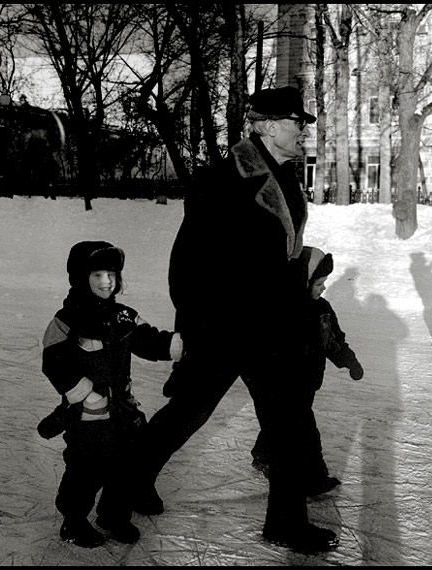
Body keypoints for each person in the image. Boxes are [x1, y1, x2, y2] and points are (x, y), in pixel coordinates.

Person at [134, 86, 340, 554]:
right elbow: (187, 262)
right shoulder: (223, 181)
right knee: (187, 413)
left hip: (269, 327)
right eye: (295, 121)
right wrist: (194, 326)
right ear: (266, 125)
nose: (303, 129)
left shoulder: (284, 177)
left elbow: (270, 253)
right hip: (223, 326)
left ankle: (286, 523)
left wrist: (302, 275)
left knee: (286, 421)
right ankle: (129, 481)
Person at [40, 240, 183, 548]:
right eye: (97, 275)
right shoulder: (67, 320)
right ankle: (74, 522)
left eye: (111, 274)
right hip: (87, 416)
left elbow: (148, 340)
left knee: (126, 465)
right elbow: (54, 361)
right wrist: (85, 394)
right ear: (81, 278)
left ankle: (113, 515)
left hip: (122, 411)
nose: (106, 282)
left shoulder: (124, 316)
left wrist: (179, 345)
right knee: (86, 469)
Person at [251, 246, 364, 496]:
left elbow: (333, 341)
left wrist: (350, 361)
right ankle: (314, 478)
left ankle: (263, 453)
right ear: (300, 281)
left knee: (282, 425)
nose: (323, 288)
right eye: (318, 283)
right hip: (284, 385)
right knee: (305, 433)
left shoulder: (322, 309)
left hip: (308, 383)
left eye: (325, 283)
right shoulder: (282, 310)